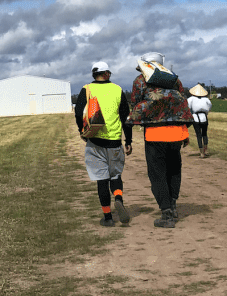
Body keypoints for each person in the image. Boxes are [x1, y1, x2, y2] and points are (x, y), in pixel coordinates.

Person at [128, 51, 194, 229]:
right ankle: (173, 205)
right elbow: (181, 103)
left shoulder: (141, 80)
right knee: (173, 170)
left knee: (157, 173)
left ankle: (166, 214)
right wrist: (185, 132)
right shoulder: (174, 80)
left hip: (154, 134)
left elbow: (135, 103)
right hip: (176, 133)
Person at [74, 61, 134, 227]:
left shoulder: (87, 89)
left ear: (94, 74)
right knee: (115, 175)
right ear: (106, 73)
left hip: (95, 142)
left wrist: (83, 131)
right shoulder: (117, 89)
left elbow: (79, 113)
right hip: (114, 142)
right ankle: (119, 198)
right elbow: (126, 118)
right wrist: (128, 140)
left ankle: (107, 217)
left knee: (102, 179)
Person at [186, 83, 212, 158]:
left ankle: (201, 153)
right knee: (205, 134)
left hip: (195, 118)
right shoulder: (206, 99)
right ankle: (206, 150)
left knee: (198, 135)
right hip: (204, 117)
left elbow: (188, 108)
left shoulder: (190, 99)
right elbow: (210, 106)